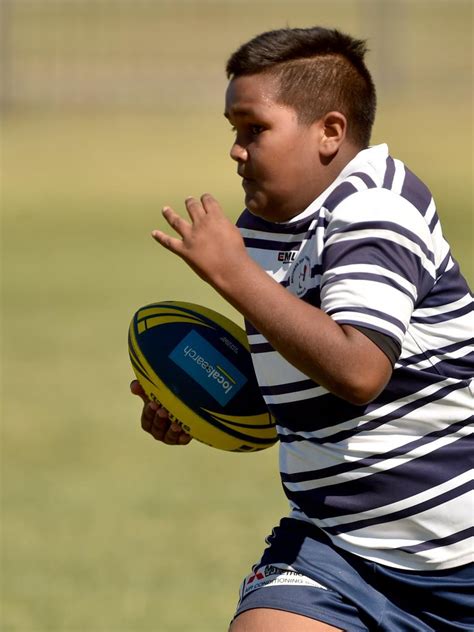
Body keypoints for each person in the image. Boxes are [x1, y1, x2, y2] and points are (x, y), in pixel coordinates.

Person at [131, 26, 473, 631]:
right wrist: (199, 402)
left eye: (255, 129)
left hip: (460, 554)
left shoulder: (376, 209)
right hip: (339, 551)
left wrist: (234, 275)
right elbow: (300, 383)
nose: (237, 149)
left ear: (330, 132)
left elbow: (359, 371)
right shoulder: (264, 229)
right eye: (233, 131)